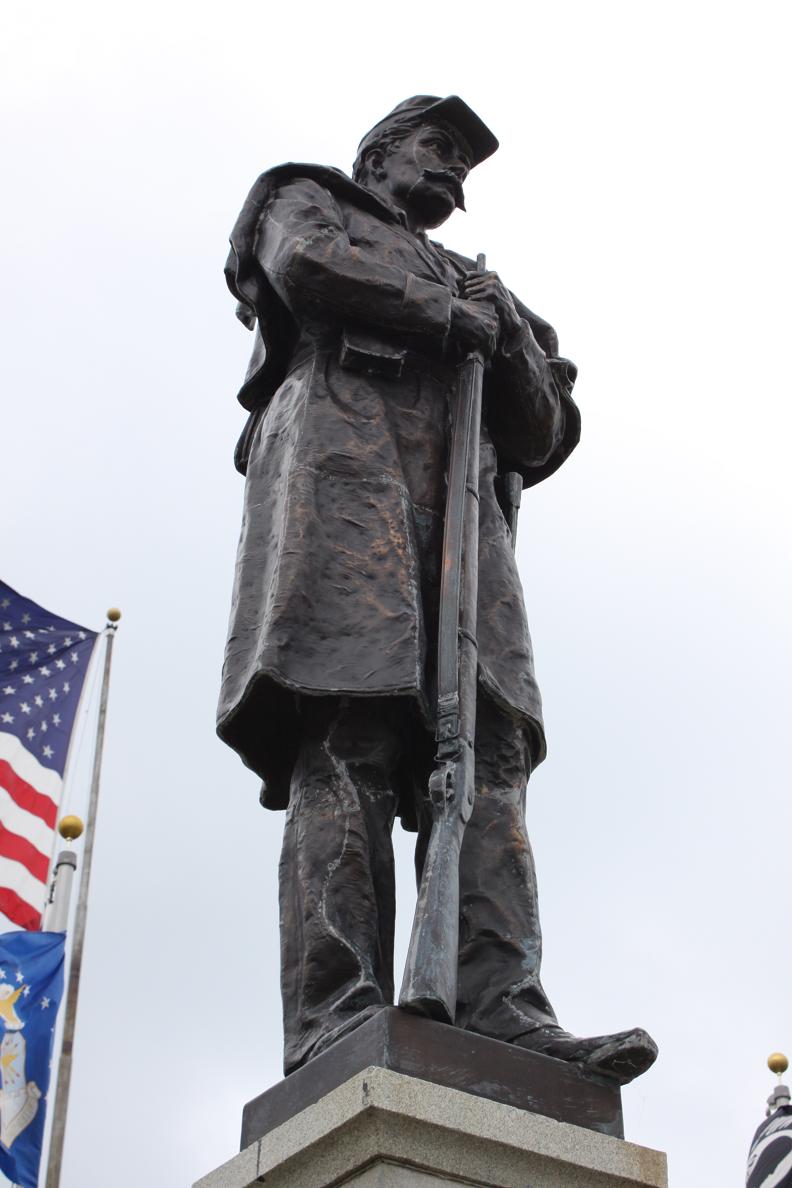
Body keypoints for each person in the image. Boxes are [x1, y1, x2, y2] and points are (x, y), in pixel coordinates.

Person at [218, 95, 657, 1082]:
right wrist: (450, 315)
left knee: (491, 755)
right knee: (352, 735)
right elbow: (307, 268)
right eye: (438, 146)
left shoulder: (495, 296)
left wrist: (500, 338)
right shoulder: (307, 200)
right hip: (347, 480)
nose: (455, 167)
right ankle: (337, 1011)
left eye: (466, 159)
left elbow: (542, 432)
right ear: (378, 155)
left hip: (465, 521)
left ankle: (503, 1006)